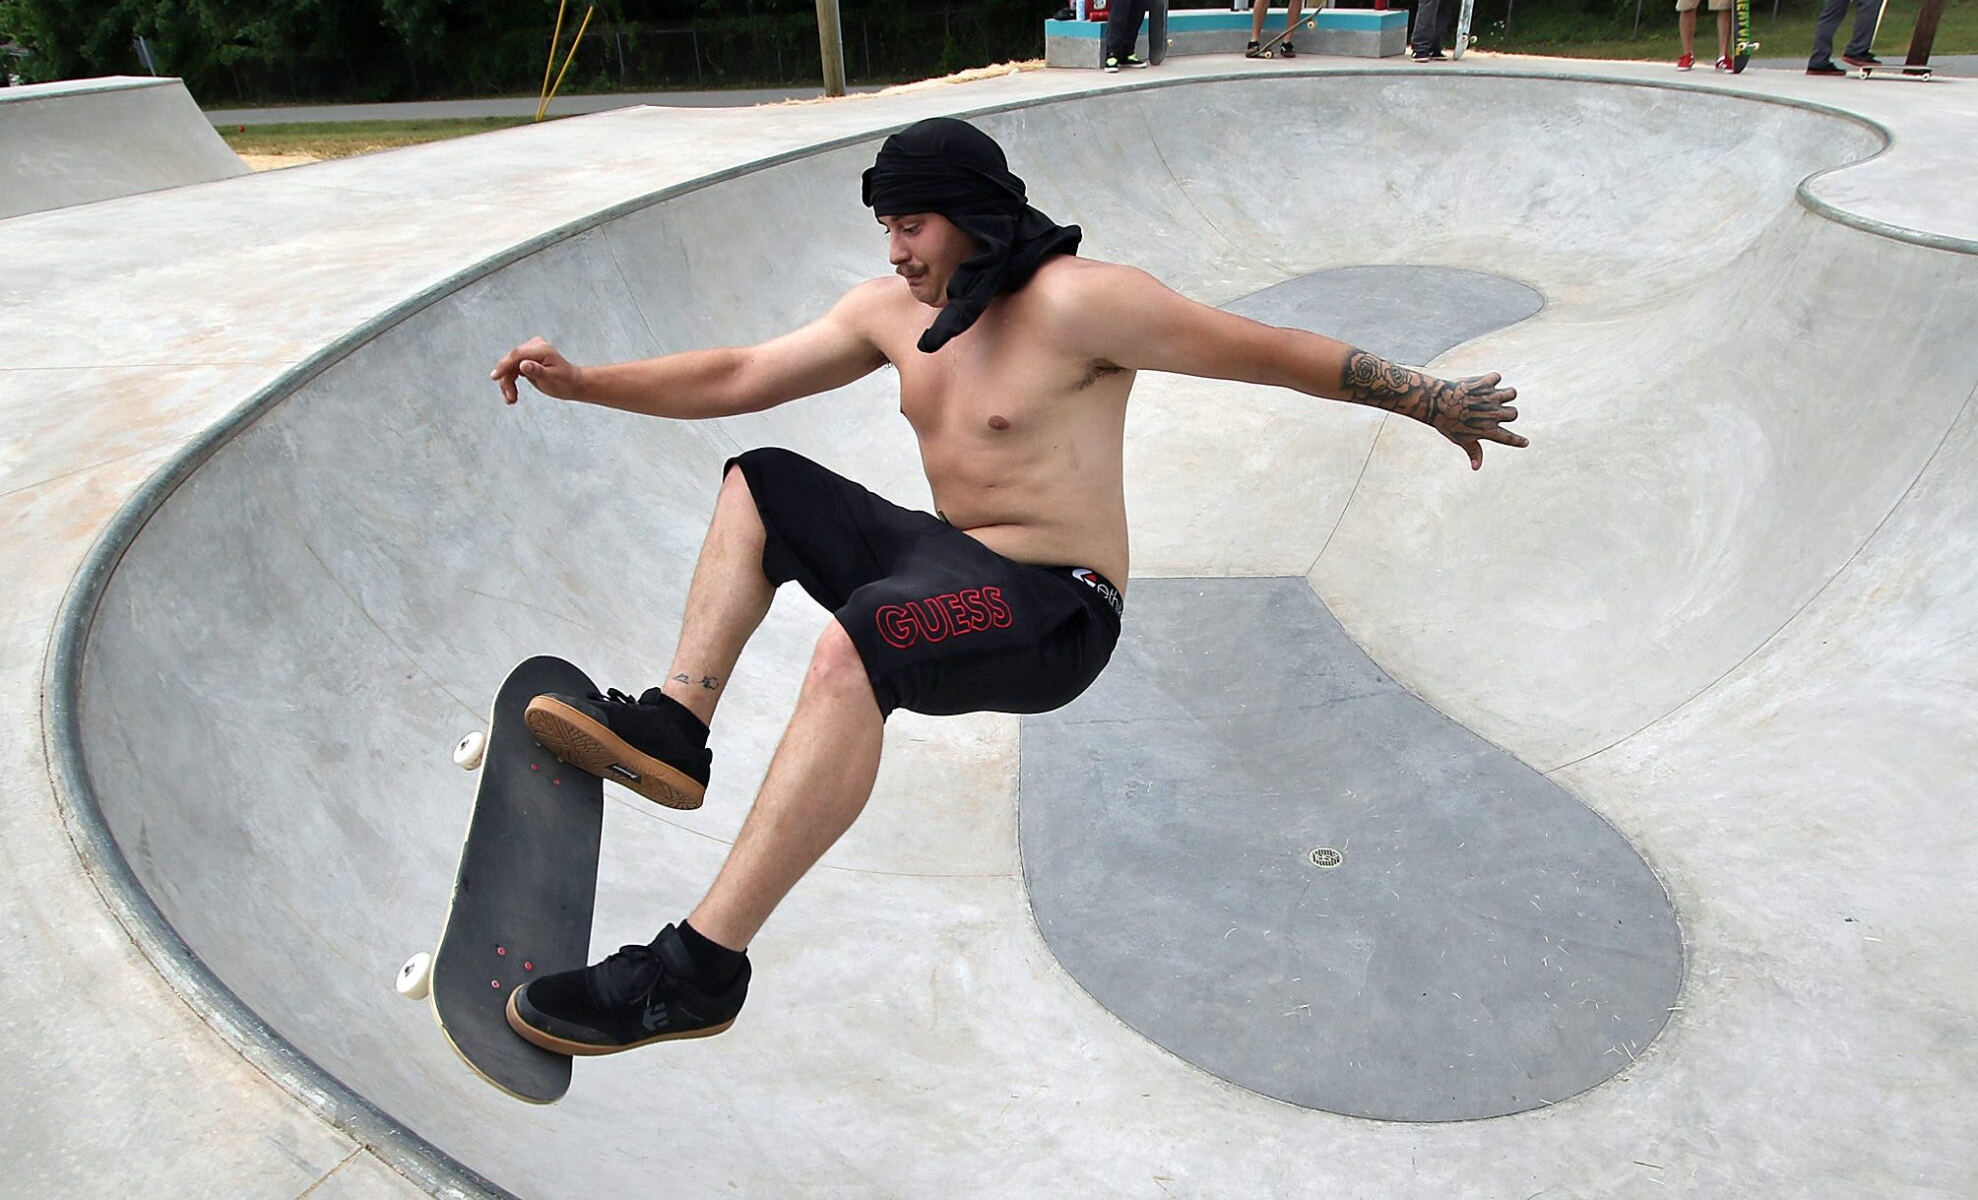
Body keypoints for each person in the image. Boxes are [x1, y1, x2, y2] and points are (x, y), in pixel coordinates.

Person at [485, 117, 1526, 1056]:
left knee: (859, 644)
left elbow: (1270, 353)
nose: (896, 255)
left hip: (1056, 604)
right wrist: (588, 383)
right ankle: (675, 725)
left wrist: (1429, 399)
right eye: (886, 231)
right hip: (950, 560)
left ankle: (697, 971)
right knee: (761, 482)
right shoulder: (888, 313)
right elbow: (737, 375)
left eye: (912, 229)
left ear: (974, 217)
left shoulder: (1085, 304)